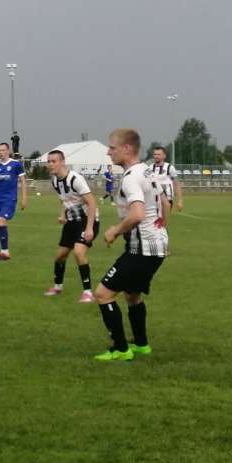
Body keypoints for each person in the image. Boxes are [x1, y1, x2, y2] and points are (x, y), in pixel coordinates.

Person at [89, 128, 166, 362]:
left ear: (127, 148)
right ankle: (141, 344)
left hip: (141, 248)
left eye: (112, 147)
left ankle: (121, 349)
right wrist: (160, 229)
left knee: (103, 294)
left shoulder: (132, 177)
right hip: (156, 245)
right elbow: (164, 202)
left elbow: (137, 214)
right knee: (132, 294)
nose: (108, 152)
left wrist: (114, 230)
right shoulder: (148, 171)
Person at [42, 148, 98, 302]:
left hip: (87, 220)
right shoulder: (55, 180)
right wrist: (63, 214)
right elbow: (64, 200)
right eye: (48, 161)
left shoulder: (75, 179)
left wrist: (89, 228)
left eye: (53, 161)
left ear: (62, 162)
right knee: (60, 256)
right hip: (72, 221)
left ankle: (88, 293)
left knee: (79, 252)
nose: (50, 164)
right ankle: (57, 287)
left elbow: (92, 203)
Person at [147, 144, 183, 223]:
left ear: (164, 156)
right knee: (154, 224)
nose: (156, 156)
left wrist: (179, 201)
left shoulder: (169, 167)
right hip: (153, 200)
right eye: (155, 154)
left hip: (166, 200)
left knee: (160, 223)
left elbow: (176, 184)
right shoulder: (150, 168)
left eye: (159, 154)